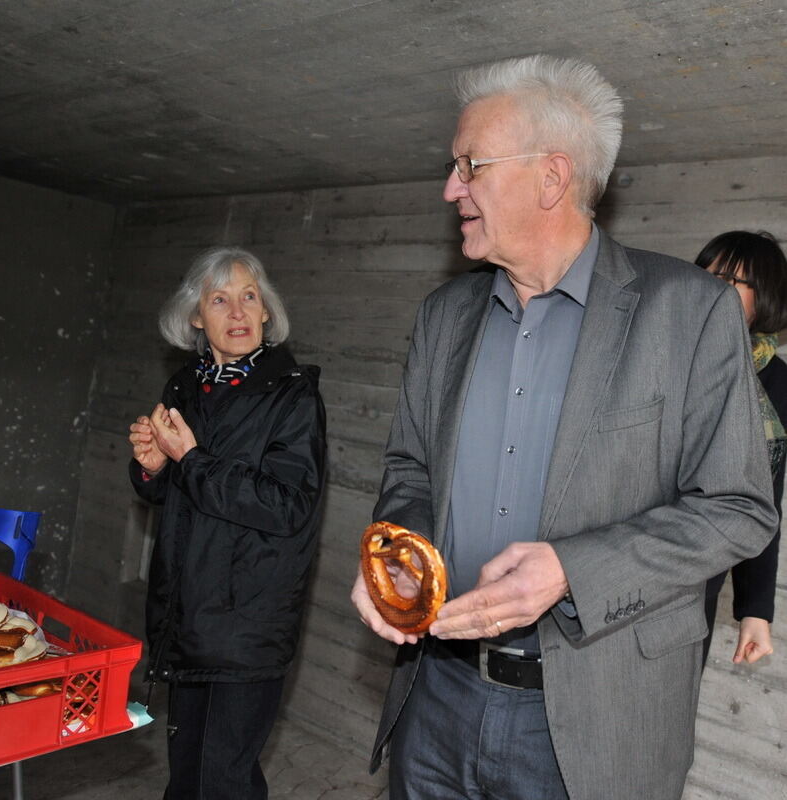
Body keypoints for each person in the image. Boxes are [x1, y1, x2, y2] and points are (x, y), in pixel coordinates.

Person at [349, 54, 777, 800]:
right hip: (435, 699)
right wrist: (400, 558)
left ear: (552, 177)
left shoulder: (690, 312)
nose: (451, 189)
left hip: (595, 721)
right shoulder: (443, 318)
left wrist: (573, 571)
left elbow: (738, 510)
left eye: (469, 166)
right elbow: (409, 470)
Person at [128, 246, 326, 800]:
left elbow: (287, 506)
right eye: (220, 299)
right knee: (185, 772)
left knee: (225, 780)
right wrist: (153, 470)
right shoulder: (185, 387)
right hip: (186, 616)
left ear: (266, 312)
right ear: (196, 317)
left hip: (248, 622)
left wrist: (191, 460)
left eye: (249, 297)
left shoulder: (292, 395)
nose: (237, 312)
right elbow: (180, 497)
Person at [695, 230, 787, 667]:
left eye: (732, 279)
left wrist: (756, 609)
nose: (712, 286)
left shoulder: (773, 380)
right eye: (707, 273)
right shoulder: (660, 350)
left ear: (764, 297)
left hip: (695, 582)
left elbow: (761, 500)